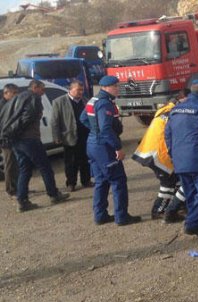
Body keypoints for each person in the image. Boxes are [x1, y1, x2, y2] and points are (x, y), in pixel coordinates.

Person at [80, 76, 141, 225]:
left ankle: (100, 215)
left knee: (101, 181)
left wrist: (94, 131)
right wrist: (118, 147)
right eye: (115, 86)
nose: (117, 89)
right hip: (104, 147)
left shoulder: (93, 100)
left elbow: (83, 118)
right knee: (118, 180)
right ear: (106, 88)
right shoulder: (104, 104)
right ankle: (122, 216)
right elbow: (106, 129)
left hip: (93, 144)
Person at [2, 80, 69, 212]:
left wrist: (12, 134)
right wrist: (17, 131)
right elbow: (28, 117)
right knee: (45, 167)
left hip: (16, 140)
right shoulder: (33, 97)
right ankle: (54, 194)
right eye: (42, 89)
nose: (43, 93)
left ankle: (22, 201)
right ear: (35, 87)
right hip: (29, 139)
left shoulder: (17, 99)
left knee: (25, 169)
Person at [165, 80, 198, 236]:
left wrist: (173, 153)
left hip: (179, 159)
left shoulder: (175, 110)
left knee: (191, 193)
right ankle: (192, 223)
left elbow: (167, 134)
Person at [132, 89, 189, 219]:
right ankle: (159, 210)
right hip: (158, 154)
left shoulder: (164, 110)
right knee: (169, 182)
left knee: (172, 180)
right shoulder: (175, 113)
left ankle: (175, 206)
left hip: (147, 150)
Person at [51, 80, 91, 192]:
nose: (80, 92)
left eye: (82, 90)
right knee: (71, 162)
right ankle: (71, 183)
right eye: (78, 90)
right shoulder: (59, 102)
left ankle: (86, 180)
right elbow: (55, 121)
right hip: (69, 136)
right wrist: (56, 136)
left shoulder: (85, 101)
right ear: (71, 89)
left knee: (85, 159)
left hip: (85, 135)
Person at [0, 83, 19, 197]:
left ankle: (17, 186)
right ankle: (11, 190)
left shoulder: (12, 103)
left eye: (17, 92)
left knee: (16, 164)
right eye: (14, 93)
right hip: (6, 140)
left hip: (14, 138)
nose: (16, 95)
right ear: (6, 93)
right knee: (10, 164)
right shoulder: (2, 105)